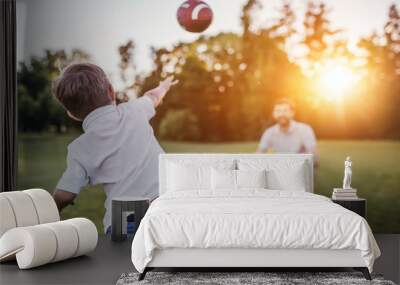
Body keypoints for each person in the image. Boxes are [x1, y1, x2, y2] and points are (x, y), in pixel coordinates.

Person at [51, 63, 177, 233]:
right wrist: (164, 86)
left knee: (124, 258)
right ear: (111, 90)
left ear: (71, 113)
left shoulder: (80, 148)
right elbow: (153, 97)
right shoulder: (134, 110)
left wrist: (50, 209)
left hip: (125, 219)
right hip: (167, 207)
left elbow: (66, 194)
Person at [257, 98, 319, 166]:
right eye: (278, 111)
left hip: (300, 171)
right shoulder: (269, 132)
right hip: (278, 171)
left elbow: (315, 158)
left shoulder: (305, 129)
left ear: (292, 113)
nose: (281, 114)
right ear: (273, 114)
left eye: (285, 110)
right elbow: (259, 154)